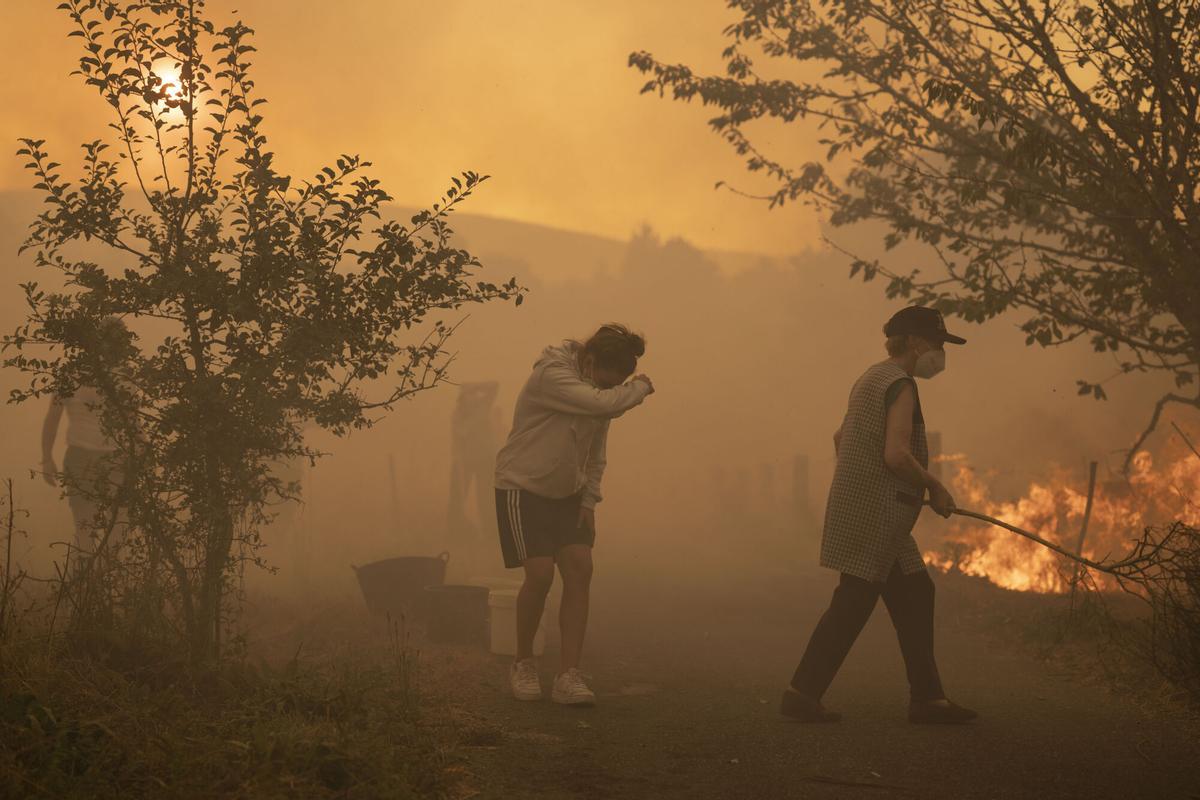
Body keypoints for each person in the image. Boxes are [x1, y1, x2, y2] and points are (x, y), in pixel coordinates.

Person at [783, 306, 978, 724]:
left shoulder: (871, 377)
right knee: (853, 601)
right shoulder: (901, 385)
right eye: (937, 343)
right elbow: (895, 454)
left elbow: (842, 437)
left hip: (872, 511)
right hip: (878, 516)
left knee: (915, 592)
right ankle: (801, 694)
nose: (941, 352)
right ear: (913, 342)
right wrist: (933, 484)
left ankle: (928, 699)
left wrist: (863, 482)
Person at [495, 324, 654, 706]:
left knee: (580, 569)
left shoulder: (599, 394)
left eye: (615, 384)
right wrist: (640, 387)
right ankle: (523, 663)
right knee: (540, 574)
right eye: (603, 381)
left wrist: (589, 500)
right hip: (522, 486)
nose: (605, 390)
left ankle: (569, 675)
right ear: (589, 360)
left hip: (570, 493)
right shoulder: (552, 375)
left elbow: (596, 449)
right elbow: (603, 404)